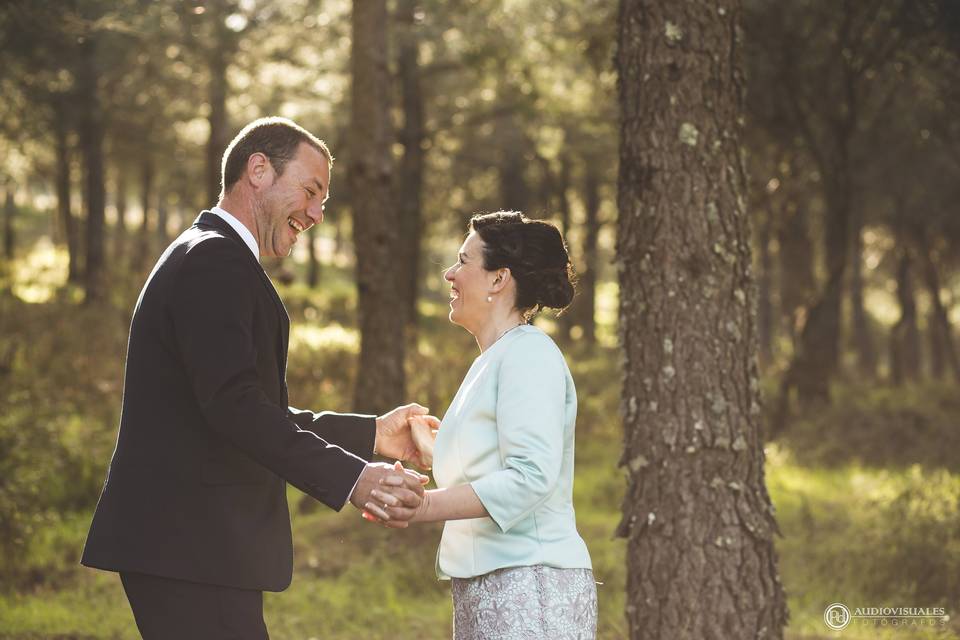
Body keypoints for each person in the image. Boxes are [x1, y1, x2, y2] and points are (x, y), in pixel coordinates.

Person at [81, 117, 433, 640]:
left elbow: (237, 405)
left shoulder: (212, 254)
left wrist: (372, 435)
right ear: (259, 170)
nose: (316, 214)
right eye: (310, 192)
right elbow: (235, 407)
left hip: (195, 547)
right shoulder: (214, 261)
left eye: (323, 202)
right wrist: (354, 478)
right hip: (189, 545)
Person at [362, 211, 597, 640]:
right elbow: (494, 467)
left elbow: (530, 477)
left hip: (530, 586)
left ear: (497, 279)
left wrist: (425, 505)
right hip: (489, 586)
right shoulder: (494, 359)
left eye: (463, 261)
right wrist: (433, 450)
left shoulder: (530, 354)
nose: (450, 274)